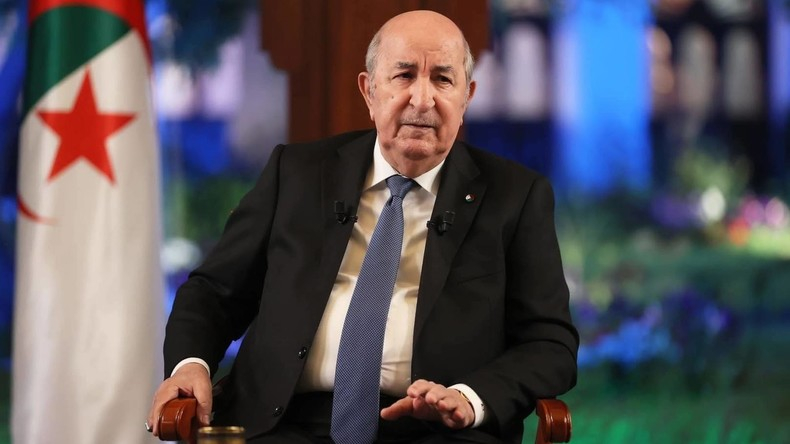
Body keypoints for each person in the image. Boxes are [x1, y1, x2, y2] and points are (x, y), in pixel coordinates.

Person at [147, 10, 578, 444]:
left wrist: (469, 399)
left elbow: (550, 343)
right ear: (369, 91)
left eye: (443, 80)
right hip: (285, 423)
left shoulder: (515, 196)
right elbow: (213, 292)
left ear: (467, 97)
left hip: (437, 431)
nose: (422, 99)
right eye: (404, 76)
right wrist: (190, 366)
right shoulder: (296, 174)